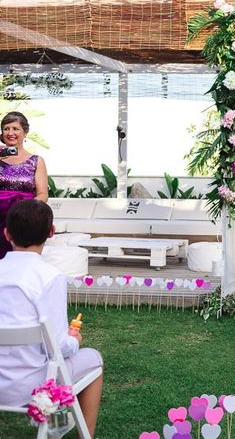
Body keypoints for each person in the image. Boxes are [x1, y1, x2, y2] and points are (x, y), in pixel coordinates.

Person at [0, 200, 103, 436]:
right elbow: (59, 347)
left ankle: (57, 423)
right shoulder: (50, 277)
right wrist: (74, 339)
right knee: (94, 358)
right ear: (51, 232)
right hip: (30, 387)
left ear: (6, 234)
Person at [0, 111, 49, 259]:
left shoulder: (36, 161)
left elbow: (43, 194)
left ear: (25, 132)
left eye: (16, 128)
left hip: (23, 221)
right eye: (6, 128)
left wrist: (27, 210)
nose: (10, 133)